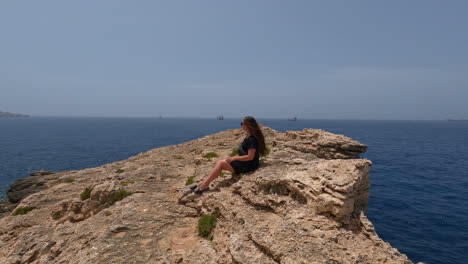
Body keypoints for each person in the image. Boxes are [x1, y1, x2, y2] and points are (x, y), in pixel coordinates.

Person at [191, 116, 266, 194]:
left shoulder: (252, 140)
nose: (241, 125)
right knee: (222, 162)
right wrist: (233, 157)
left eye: (242, 123)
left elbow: (250, 157)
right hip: (245, 163)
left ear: (247, 125)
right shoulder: (249, 137)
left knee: (221, 163)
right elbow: (244, 153)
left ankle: (204, 186)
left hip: (249, 166)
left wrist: (234, 158)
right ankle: (202, 183)